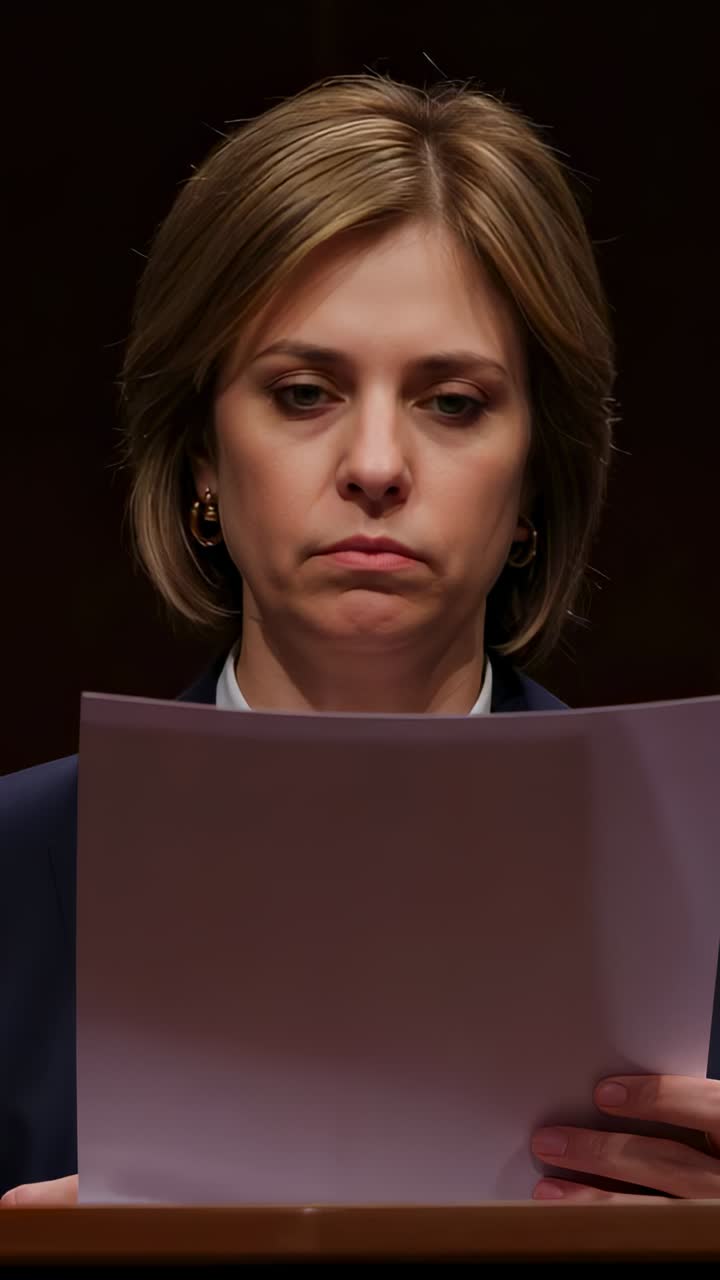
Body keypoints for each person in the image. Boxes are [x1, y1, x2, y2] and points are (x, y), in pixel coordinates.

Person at [2, 73, 719, 1209]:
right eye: (303, 392)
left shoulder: (701, 882)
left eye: (453, 402)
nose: (377, 465)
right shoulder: (14, 869)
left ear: (536, 479)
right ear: (201, 457)